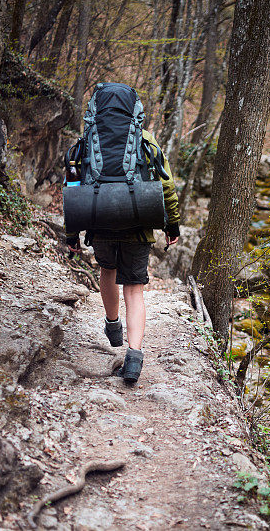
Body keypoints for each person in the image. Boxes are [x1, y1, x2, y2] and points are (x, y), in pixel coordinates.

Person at [66, 129, 180, 384]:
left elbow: (72, 186)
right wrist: (172, 224)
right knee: (134, 288)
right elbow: (167, 185)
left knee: (108, 269)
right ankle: (134, 357)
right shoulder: (145, 139)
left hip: (100, 219)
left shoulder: (89, 140)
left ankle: (113, 325)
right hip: (138, 221)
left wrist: (72, 234)